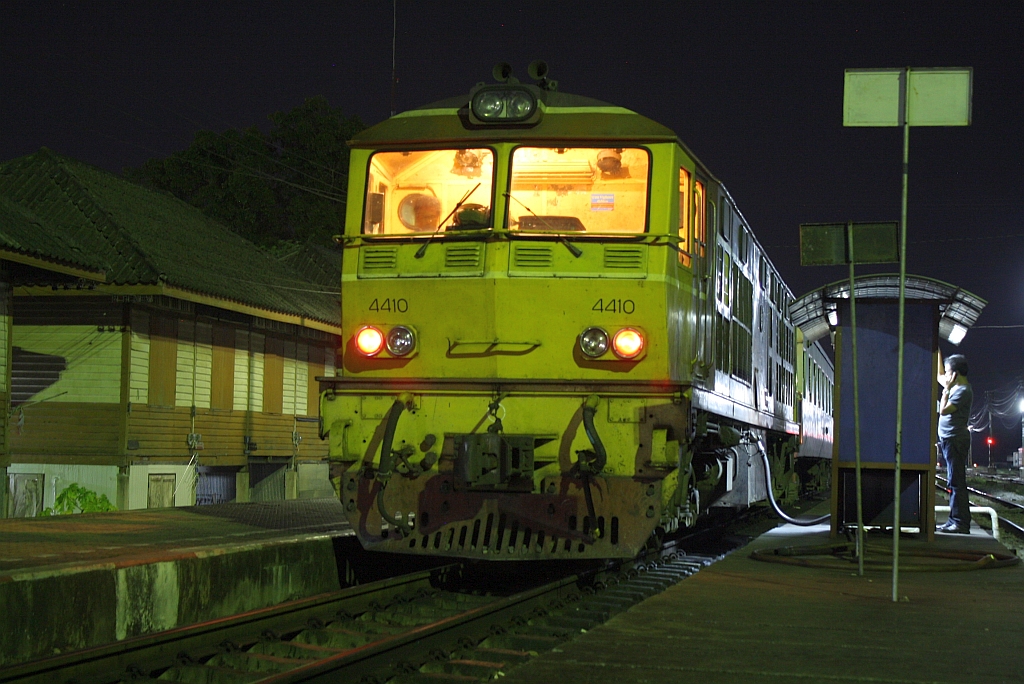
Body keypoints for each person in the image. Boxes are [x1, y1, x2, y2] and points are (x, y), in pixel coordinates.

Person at [937, 353, 973, 533]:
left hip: (955, 440)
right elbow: (938, 375)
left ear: (956, 374)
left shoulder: (962, 391)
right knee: (953, 481)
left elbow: (943, 410)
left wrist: (945, 390)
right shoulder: (956, 387)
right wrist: (937, 350)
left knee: (957, 482)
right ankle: (953, 520)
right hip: (949, 440)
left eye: (949, 371)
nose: (946, 375)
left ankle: (961, 523)